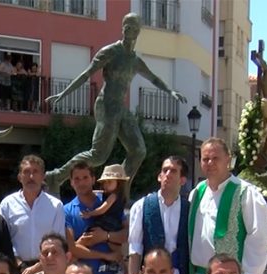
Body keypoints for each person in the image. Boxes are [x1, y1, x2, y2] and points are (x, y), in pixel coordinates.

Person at [44, 13, 187, 194]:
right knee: (98, 156)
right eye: (127, 27)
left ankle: (119, 190)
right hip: (106, 105)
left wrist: (171, 91)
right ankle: (56, 176)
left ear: (138, 32)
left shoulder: (135, 61)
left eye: (133, 28)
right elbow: (87, 74)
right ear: (122, 29)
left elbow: (154, 78)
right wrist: (63, 93)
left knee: (138, 150)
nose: (130, 31)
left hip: (120, 108)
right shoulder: (111, 52)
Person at [188, 138, 267, 274]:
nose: (210, 163)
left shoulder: (245, 193)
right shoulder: (197, 192)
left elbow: (259, 235)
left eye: (215, 158)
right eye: (205, 159)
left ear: (228, 159)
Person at [0, 155, 64, 274]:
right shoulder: (7, 204)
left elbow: (59, 242)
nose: (31, 177)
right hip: (16, 269)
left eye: (35, 172)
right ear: (19, 177)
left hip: (47, 268)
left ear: (43, 177)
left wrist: (38, 267)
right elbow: (3, 240)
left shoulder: (56, 206)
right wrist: (19, 264)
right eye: (27, 172)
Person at [128, 156, 190, 274]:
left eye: (173, 171)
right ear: (159, 177)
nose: (168, 174)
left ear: (182, 180)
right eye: (165, 170)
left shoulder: (189, 209)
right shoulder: (142, 206)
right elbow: (135, 246)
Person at [64, 162, 123, 274]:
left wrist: (106, 236)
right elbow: (72, 249)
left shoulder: (109, 201)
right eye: (77, 179)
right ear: (71, 182)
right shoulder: (66, 211)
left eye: (85, 177)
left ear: (93, 179)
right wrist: (105, 255)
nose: (81, 182)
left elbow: (127, 234)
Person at [79, 164, 129, 254]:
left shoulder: (113, 196)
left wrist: (90, 213)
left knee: (85, 238)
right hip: (114, 225)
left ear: (118, 183)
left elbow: (103, 209)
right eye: (104, 182)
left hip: (107, 223)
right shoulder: (115, 195)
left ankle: (74, 250)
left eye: (109, 182)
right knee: (115, 248)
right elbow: (100, 192)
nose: (106, 185)